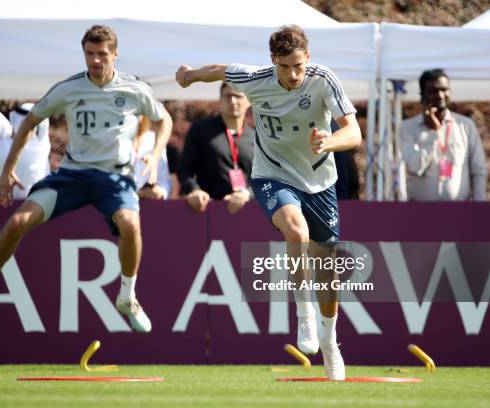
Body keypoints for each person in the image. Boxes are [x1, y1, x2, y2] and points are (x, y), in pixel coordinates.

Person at [0, 25, 173, 333]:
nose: (95, 61)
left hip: (114, 177)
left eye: (102, 54)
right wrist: (8, 168)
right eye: (90, 54)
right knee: (16, 222)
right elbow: (30, 121)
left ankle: (127, 297)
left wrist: (156, 152)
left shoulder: (134, 89)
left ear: (115, 55)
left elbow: (165, 119)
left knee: (131, 225)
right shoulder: (68, 89)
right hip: (73, 175)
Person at [175, 25, 362, 380]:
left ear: (307, 57)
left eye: (297, 65)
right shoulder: (255, 78)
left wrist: (329, 142)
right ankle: (304, 317)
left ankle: (329, 339)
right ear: (272, 61)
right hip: (272, 175)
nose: (292, 75)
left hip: (320, 181)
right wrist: (190, 76)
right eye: (284, 66)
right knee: (296, 231)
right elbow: (218, 70)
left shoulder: (324, 79)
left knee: (327, 268)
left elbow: (353, 133)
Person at [398, 69, 487, 201]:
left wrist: (479, 208)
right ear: (422, 94)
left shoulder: (465, 125)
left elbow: (478, 170)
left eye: (444, 89)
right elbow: (415, 167)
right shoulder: (407, 127)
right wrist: (432, 132)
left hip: (459, 212)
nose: (440, 95)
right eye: (433, 91)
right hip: (420, 212)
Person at [178, 82, 255, 213]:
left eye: (238, 96)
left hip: (248, 210)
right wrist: (194, 190)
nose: (232, 100)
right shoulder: (200, 130)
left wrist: (247, 194)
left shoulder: (256, 137)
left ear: (248, 101)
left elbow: (265, 178)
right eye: (227, 96)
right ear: (220, 100)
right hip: (207, 211)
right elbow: (185, 169)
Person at [133, 115, 173, 200]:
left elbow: (165, 182)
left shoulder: (156, 140)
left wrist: (160, 192)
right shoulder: (111, 141)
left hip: (149, 207)